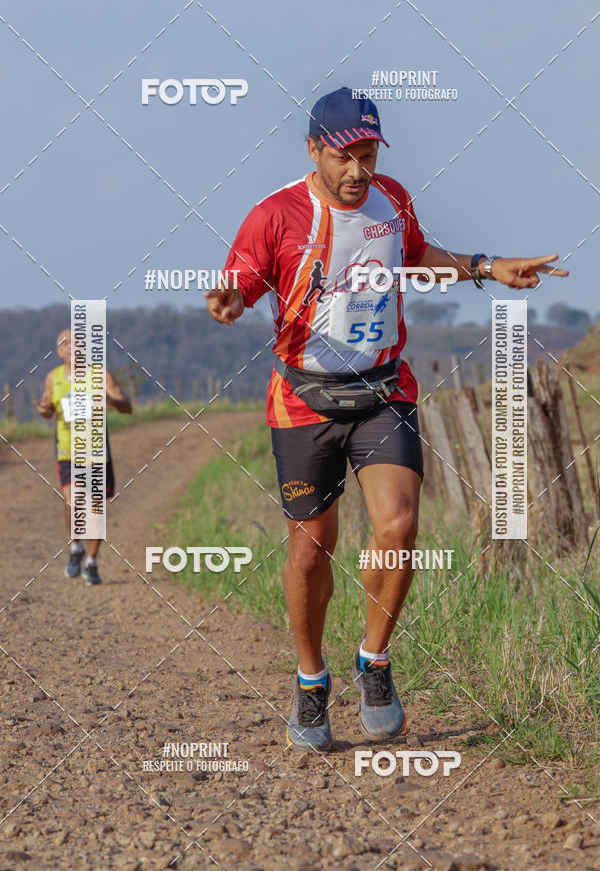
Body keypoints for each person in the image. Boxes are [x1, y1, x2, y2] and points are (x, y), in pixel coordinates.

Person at [206, 86, 568, 751]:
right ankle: (311, 680)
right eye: (344, 156)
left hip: (383, 389)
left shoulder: (392, 200)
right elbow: (241, 281)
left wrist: (487, 267)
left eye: (368, 155)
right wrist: (228, 299)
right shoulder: (277, 214)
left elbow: (418, 256)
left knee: (400, 522)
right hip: (303, 400)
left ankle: (374, 661)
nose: (357, 171)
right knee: (311, 548)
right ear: (313, 149)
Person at [35, 329, 132, 584]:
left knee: (96, 510)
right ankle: (75, 544)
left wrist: (110, 399)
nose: (72, 347)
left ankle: (91, 561)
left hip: (98, 454)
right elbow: (48, 410)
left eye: (78, 343)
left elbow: (127, 406)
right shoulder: (52, 378)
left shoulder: (100, 374)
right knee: (74, 500)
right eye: (65, 344)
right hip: (68, 453)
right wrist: (44, 409)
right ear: (59, 351)